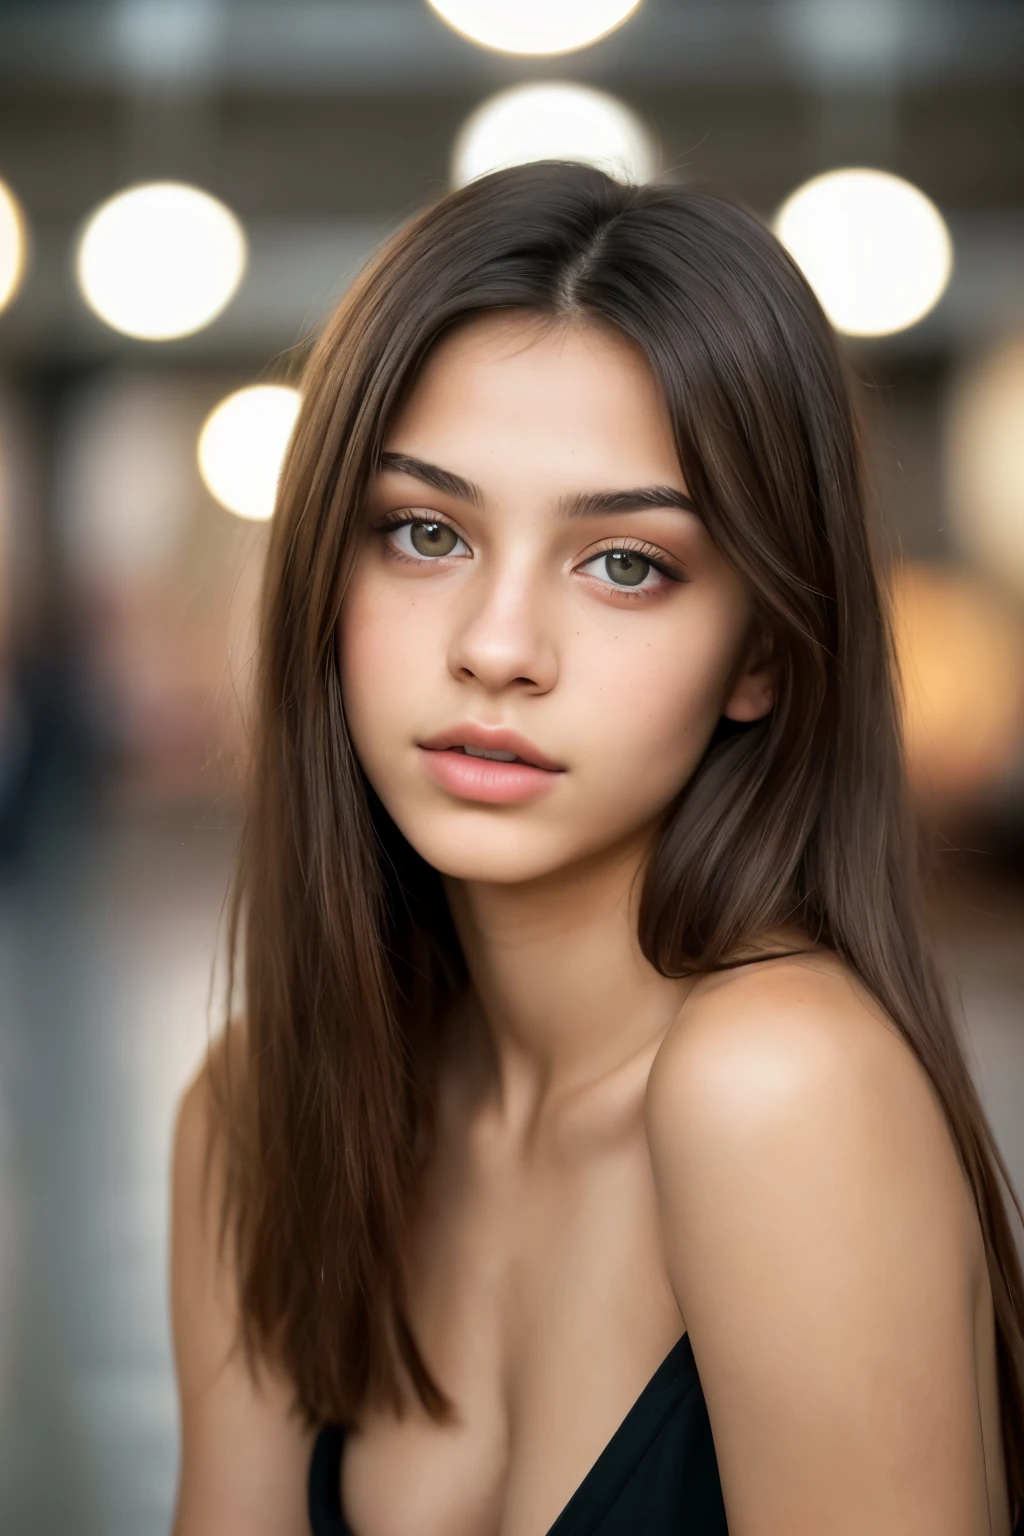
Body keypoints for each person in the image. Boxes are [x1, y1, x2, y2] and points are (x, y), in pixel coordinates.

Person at [169, 161, 1024, 1536]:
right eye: (424, 533)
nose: (497, 648)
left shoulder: (781, 1086)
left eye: (626, 562)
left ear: (761, 651)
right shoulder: (262, 1114)